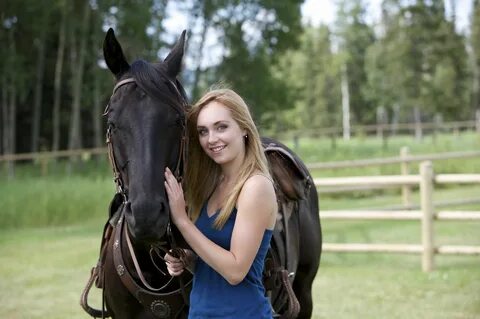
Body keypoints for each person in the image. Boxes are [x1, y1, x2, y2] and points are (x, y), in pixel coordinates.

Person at [163, 87, 277, 318]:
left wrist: (183, 222)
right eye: (203, 131)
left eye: (221, 127)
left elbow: (235, 271)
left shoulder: (255, 187)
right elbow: (213, 266)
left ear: (244, 128)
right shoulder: (211, 185)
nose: (211, 139)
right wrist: (187, 259)